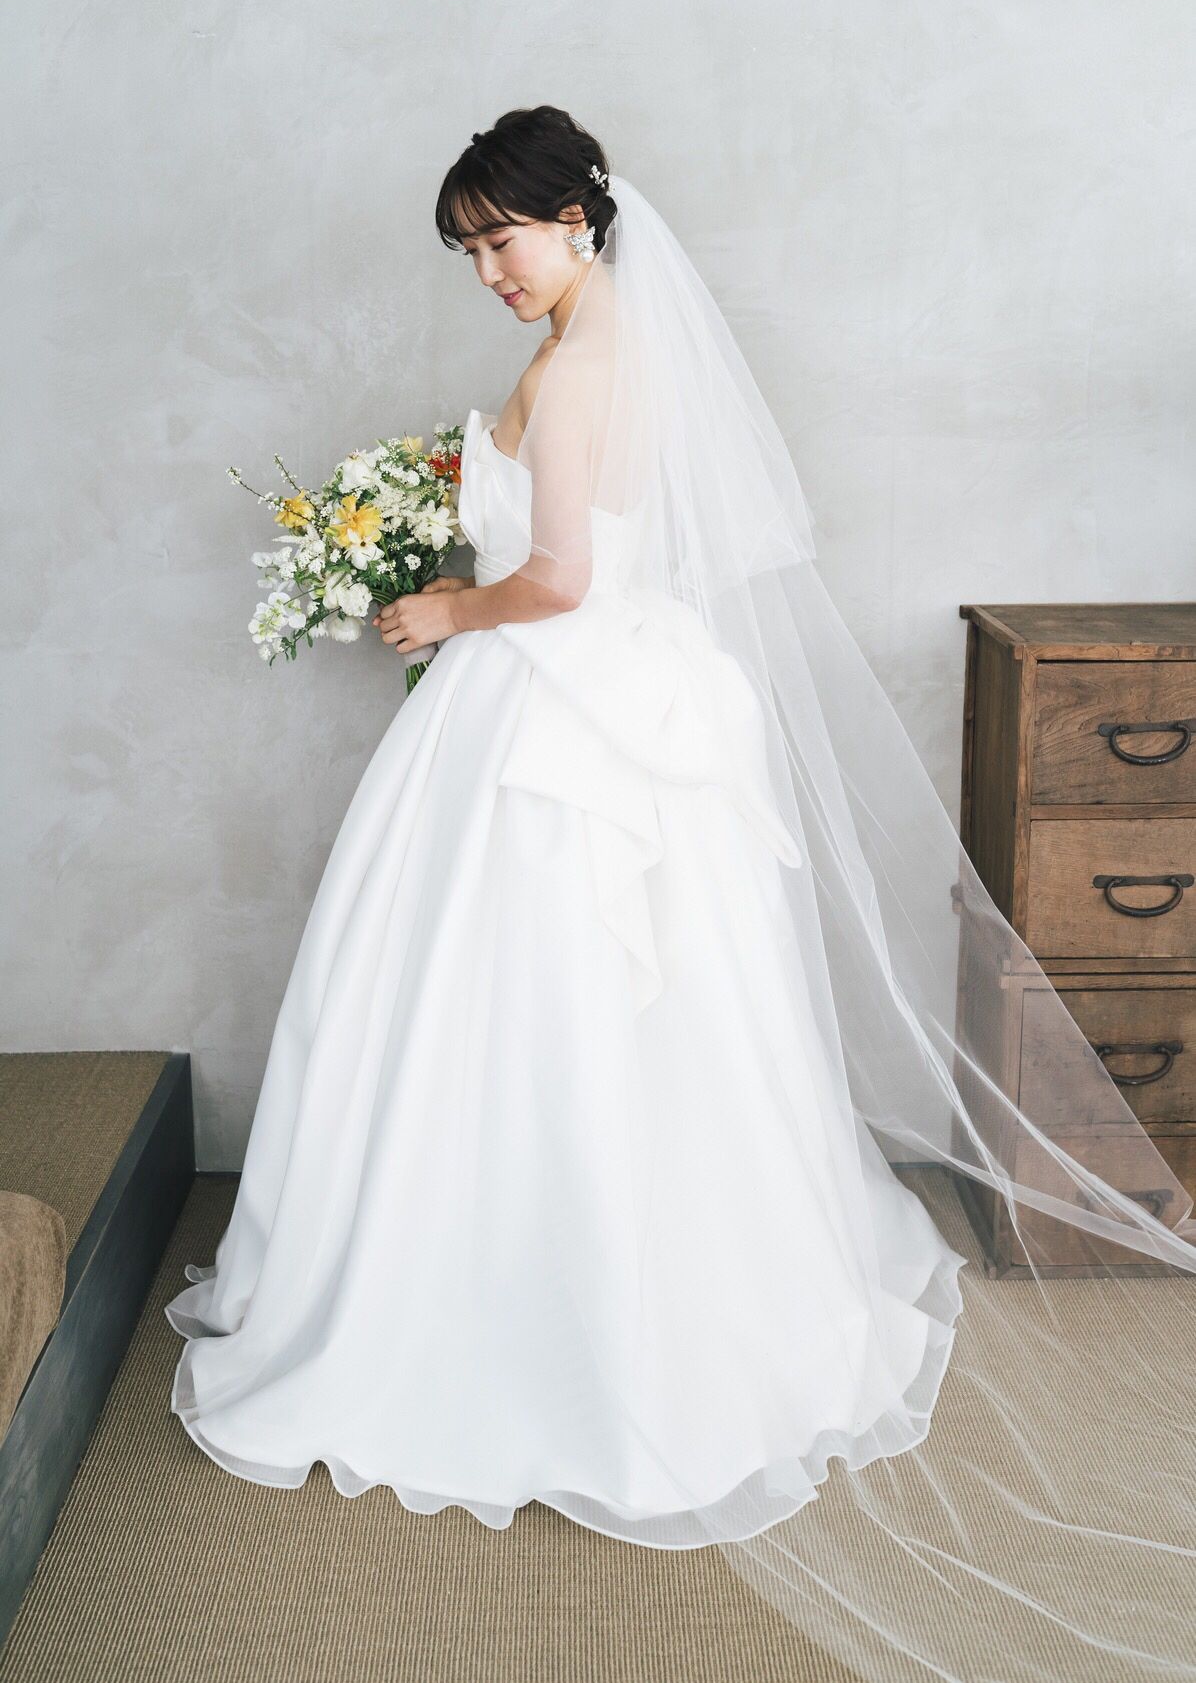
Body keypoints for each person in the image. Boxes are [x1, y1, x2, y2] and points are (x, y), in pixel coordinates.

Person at [167, 106, 1196, 1682]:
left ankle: (546, 1314)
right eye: (468, 251)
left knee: (531, 1004)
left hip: (556, 720)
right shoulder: (612, 343)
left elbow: (562, 582)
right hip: (601, 709)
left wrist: (446, 609)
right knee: (584, 1013)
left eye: (502, 239)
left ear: (577, 217)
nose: (490, 272)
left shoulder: (585, 366)